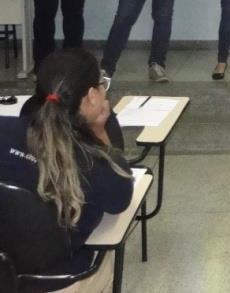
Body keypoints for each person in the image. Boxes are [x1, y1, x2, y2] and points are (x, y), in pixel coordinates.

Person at [0, 49, 133, 292]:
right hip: (56, 281)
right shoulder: (97, 165)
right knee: (111, 239)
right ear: (92, 97)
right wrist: (101, 134)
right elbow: (120, 200)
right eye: (102, 85)